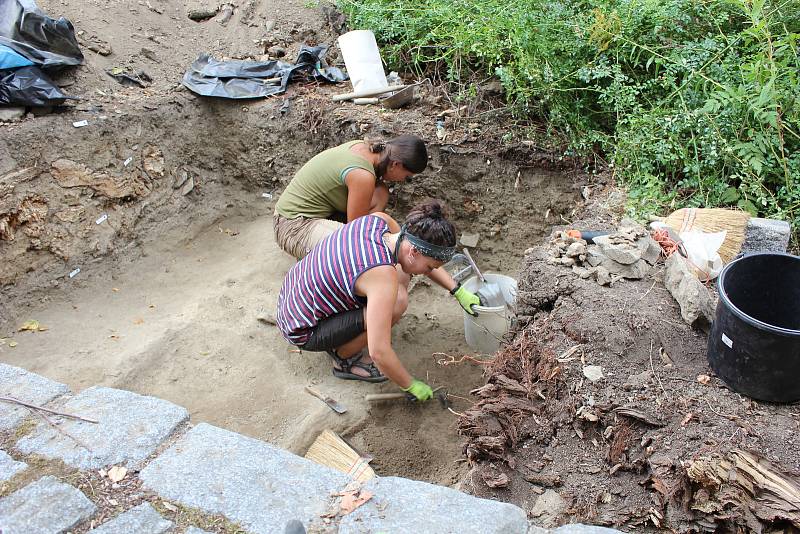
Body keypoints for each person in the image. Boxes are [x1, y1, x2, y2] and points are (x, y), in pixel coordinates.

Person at [276, 200, 481, 401]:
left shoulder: (380, 222)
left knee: (400, 279)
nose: (429, 272)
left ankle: (353, 332)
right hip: (303, 328)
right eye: (429, 267)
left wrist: (457, 290)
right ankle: (344, 359)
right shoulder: (381, 276)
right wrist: (410, 384)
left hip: (291, 297)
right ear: (414, 252)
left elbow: (412, 263)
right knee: (397, 302)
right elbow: (379, 352)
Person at [273, 135, 428, 260]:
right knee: (358, 252)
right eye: (407, 177)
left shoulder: (364, 147)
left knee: (380, 192)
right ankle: (315, 265)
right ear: (396, 164)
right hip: (293, 224)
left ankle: (317, 248)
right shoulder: (362, 176)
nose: (402, 181)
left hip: (311, 215)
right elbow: (355, 233)